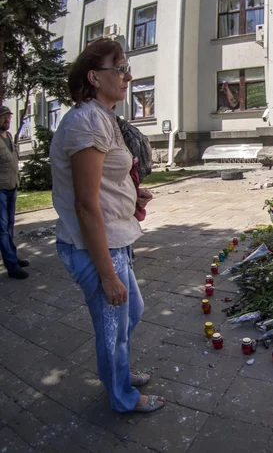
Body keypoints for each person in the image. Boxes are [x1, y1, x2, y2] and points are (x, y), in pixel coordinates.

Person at [49, 39, 164, 413]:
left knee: (131, 312)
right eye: (120, 68)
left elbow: (107, 182)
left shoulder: (104, 116)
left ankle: (119, 372)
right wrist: (106, 274)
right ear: (95, 77)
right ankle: (122, 398)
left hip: (115, 236)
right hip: (95, 246)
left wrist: (134, 194)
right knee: (113, 327)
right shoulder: (86, 121)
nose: (128, 75)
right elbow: (85, 203)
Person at [0, 106, 29, 279]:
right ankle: (11, 266)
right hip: (0, 190)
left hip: (12, 187)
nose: (7, 121)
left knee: (10, 226)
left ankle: (13, 257)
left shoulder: (9, 137)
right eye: (4, 118)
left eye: (9, 118)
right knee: (2, 229)